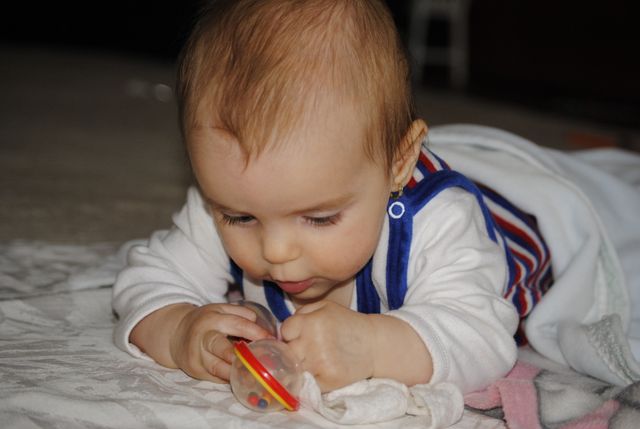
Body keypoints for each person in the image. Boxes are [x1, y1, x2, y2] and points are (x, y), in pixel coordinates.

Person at [112, 0, 553, 394]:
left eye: (320, 218)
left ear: (399, 162)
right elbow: (146, 280)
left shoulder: (441, 222)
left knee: (560, 200)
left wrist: (372, 346)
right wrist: (178, 329)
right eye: (241, 219)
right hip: (366, 166)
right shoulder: (231, 197)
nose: (275, 251)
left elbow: (482, 337)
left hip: (510, 225)